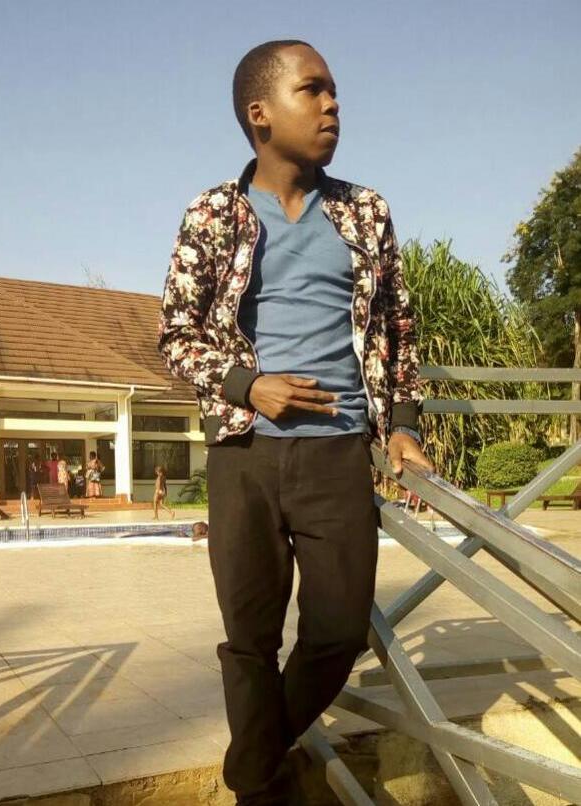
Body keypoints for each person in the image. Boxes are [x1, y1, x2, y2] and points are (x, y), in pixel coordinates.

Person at [158, 40, 434, 805]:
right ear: (260, 114)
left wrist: (404, 424)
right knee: (249, 640)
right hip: (244, 455)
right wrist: (250, 386)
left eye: (333, 91)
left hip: (337, 453)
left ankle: (249, 767)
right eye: (312, 90)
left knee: (338, 631)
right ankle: (264, 789)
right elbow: (175, 335)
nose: (332, 104)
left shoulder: (365, 212)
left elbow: (397, 327)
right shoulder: (213, 213)